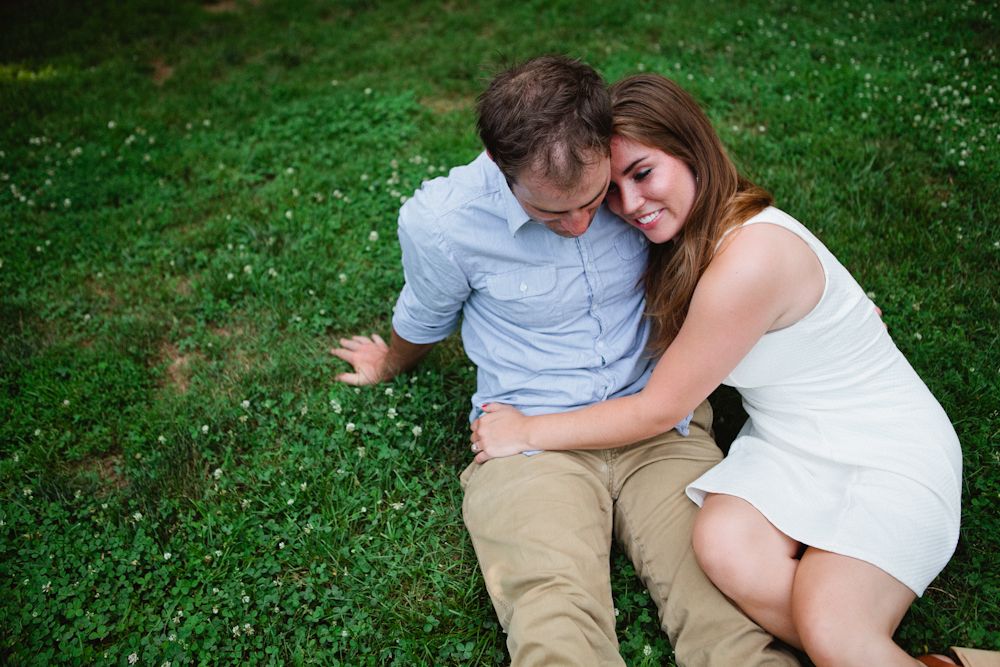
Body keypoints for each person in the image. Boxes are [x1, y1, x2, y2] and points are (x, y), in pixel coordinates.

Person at [468, 73, 968, 667]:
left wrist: (525, 431)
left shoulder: (749, 258)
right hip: (788, 442)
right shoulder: (694, 233)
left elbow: (660, 408)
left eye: (643, 173)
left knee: (833, 629)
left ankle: (870, 649)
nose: (630, 207)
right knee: (723, 546)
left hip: (882, 449)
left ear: (691, 147)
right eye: (613, 189)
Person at [331, 56, 798, 666]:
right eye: (552, 213)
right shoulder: (443, 223)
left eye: (593, 199)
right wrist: (389, 363)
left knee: (727, 614)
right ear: (502, 169)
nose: (581, 224)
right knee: (552, 616)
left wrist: (816, 301)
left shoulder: (633, 188)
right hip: (527, 445)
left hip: (660, 426)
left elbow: (729, 230)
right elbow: (426, 313)